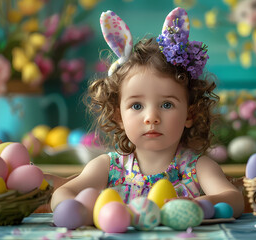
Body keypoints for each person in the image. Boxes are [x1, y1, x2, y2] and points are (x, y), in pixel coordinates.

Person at [50, 7, 244, 219]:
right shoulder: (109, 167)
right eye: (136, 106)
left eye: (167, 105)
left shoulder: (196, 167)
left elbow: (234, 198)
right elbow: (61, 194)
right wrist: (88, 211)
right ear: (118, 117)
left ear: (190, 115)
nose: (151, 117)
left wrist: (200, 203)